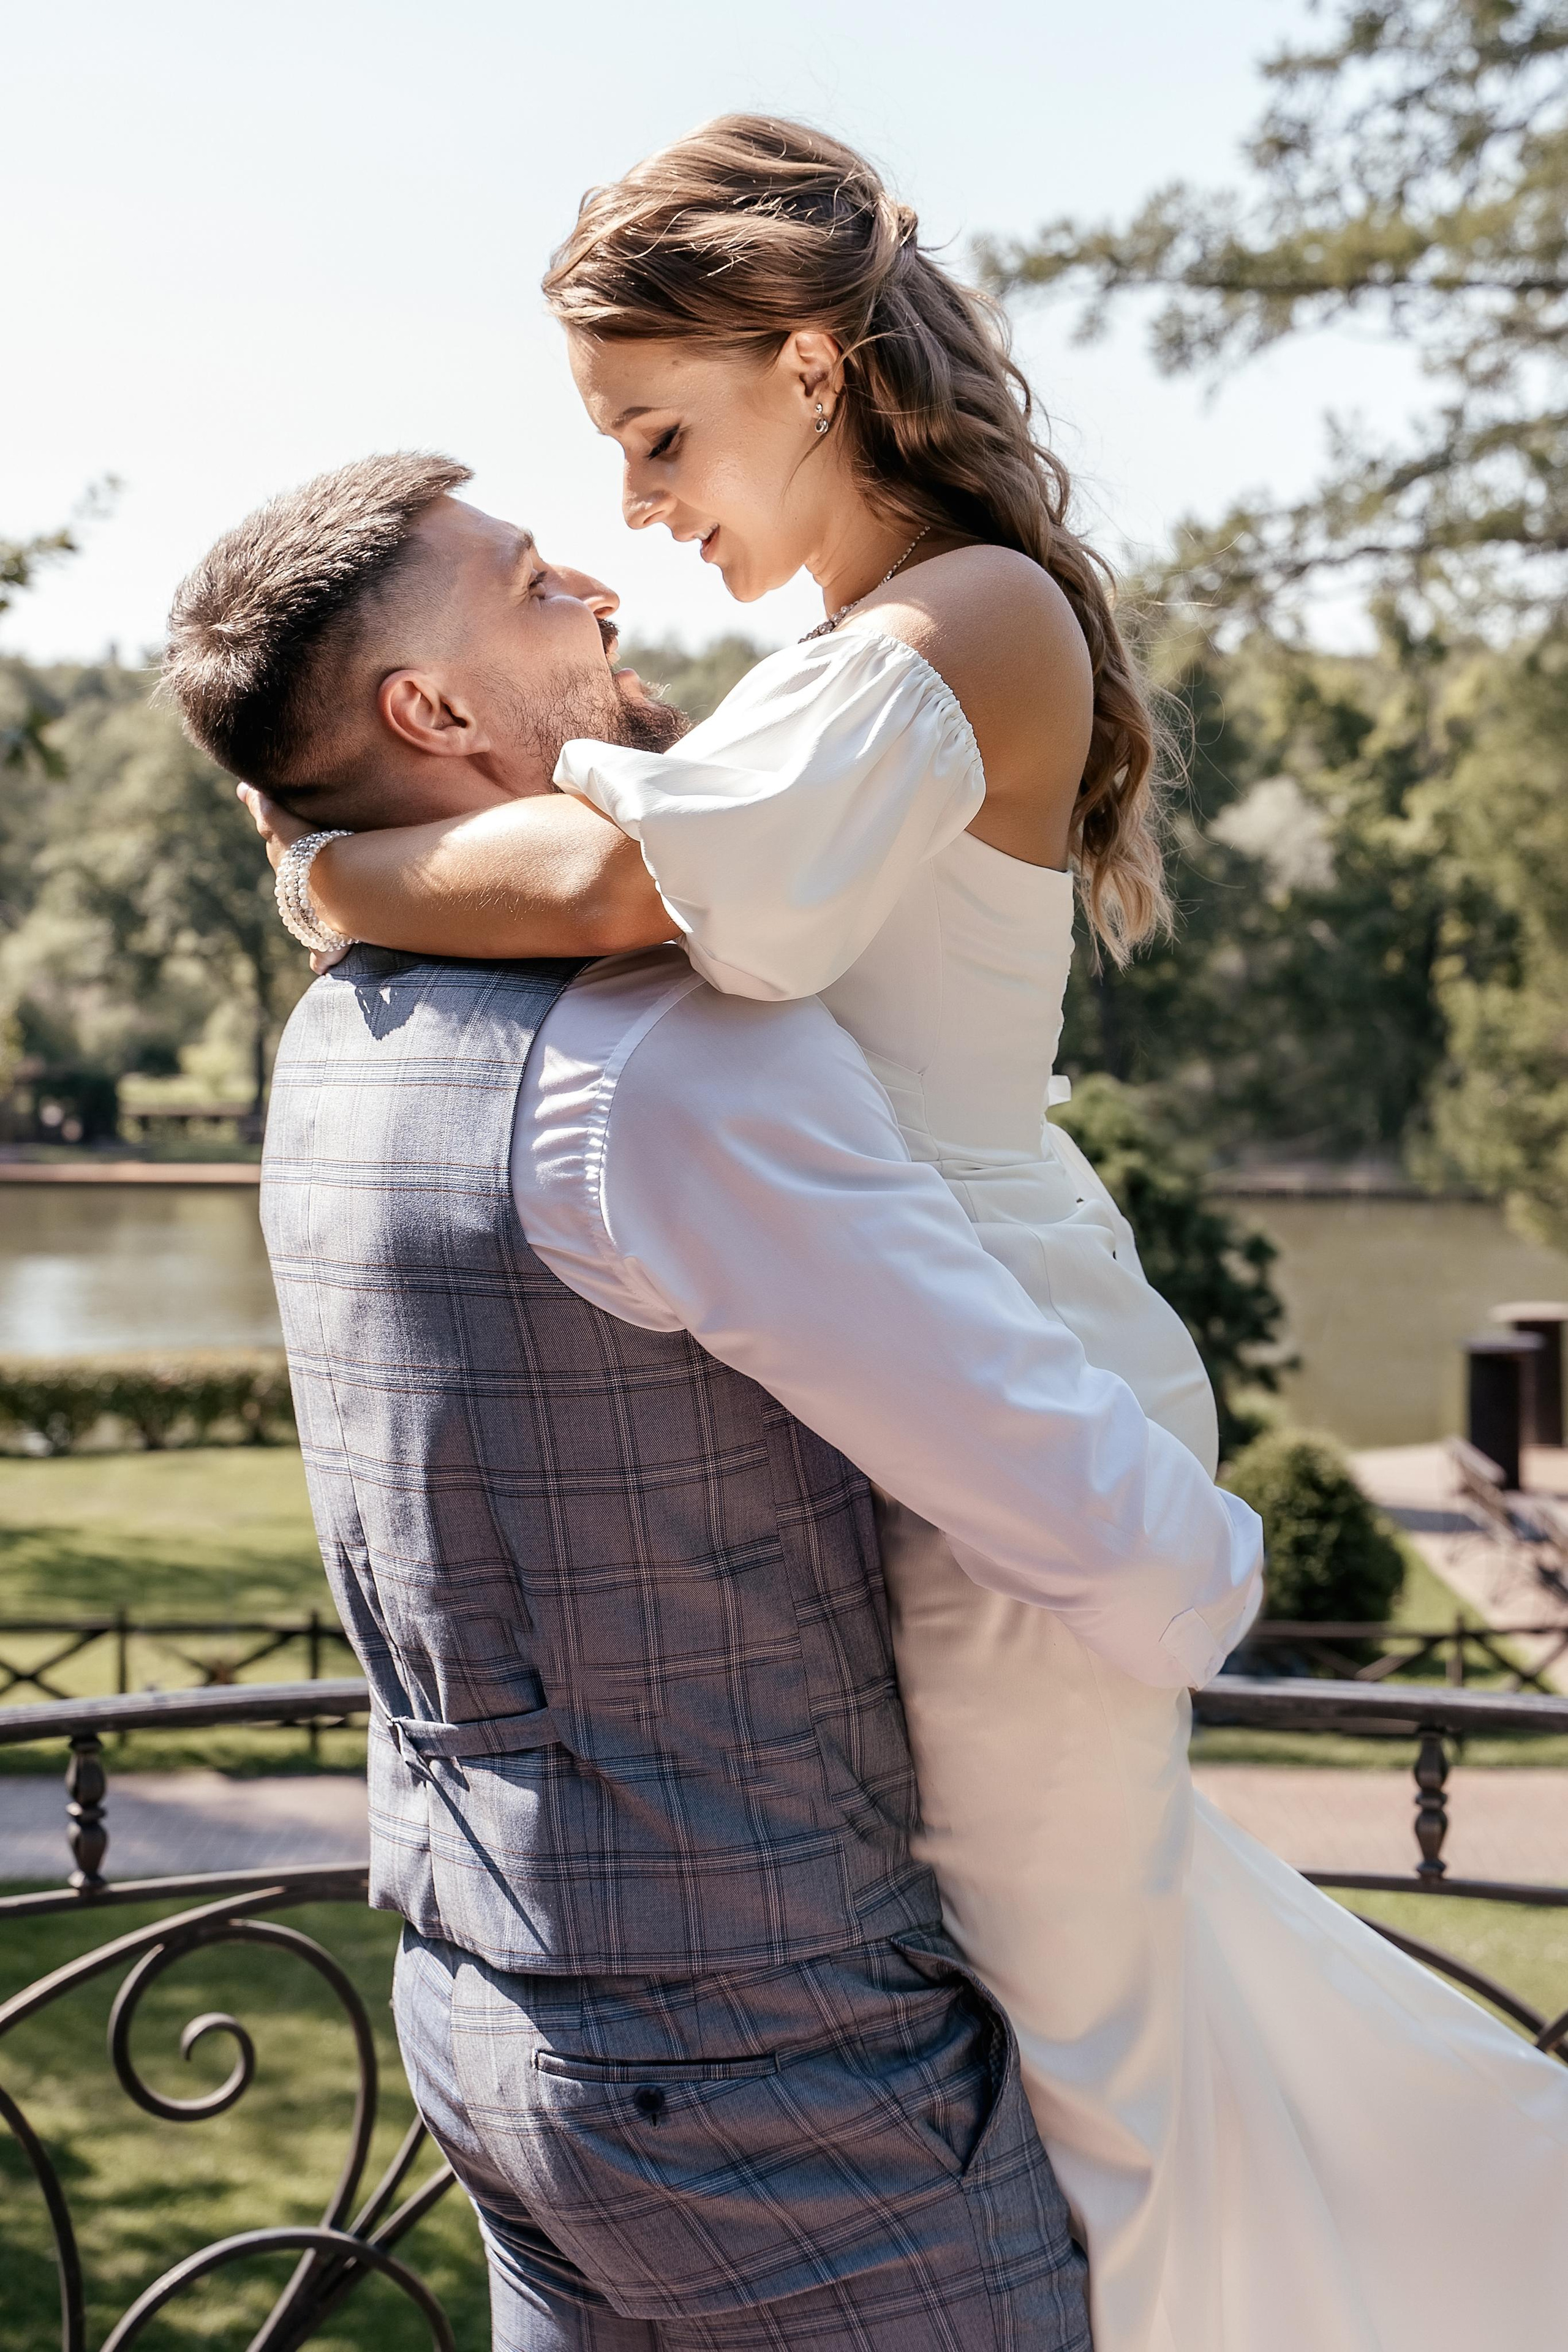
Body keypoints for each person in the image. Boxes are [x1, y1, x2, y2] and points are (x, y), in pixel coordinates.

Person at [245, 121, 1568, 2350]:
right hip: (929, 1347)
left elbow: (634, 888)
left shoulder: (969, 617)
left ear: (811, 364)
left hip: (1003, 1376)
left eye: (659, 435)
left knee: (1088, 2035)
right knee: (1079, 2000)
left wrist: (329, 876)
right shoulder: (877, 641)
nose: (647, 510)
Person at [162, 451, 1265, 2352]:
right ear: (428, 713)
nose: (595, 582)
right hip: (782, 2085)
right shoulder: (670, 1066)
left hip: (481, 2018)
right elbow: (1117, 1544)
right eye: (526, 588)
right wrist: (1220, 1563)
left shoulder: (338, 1028)